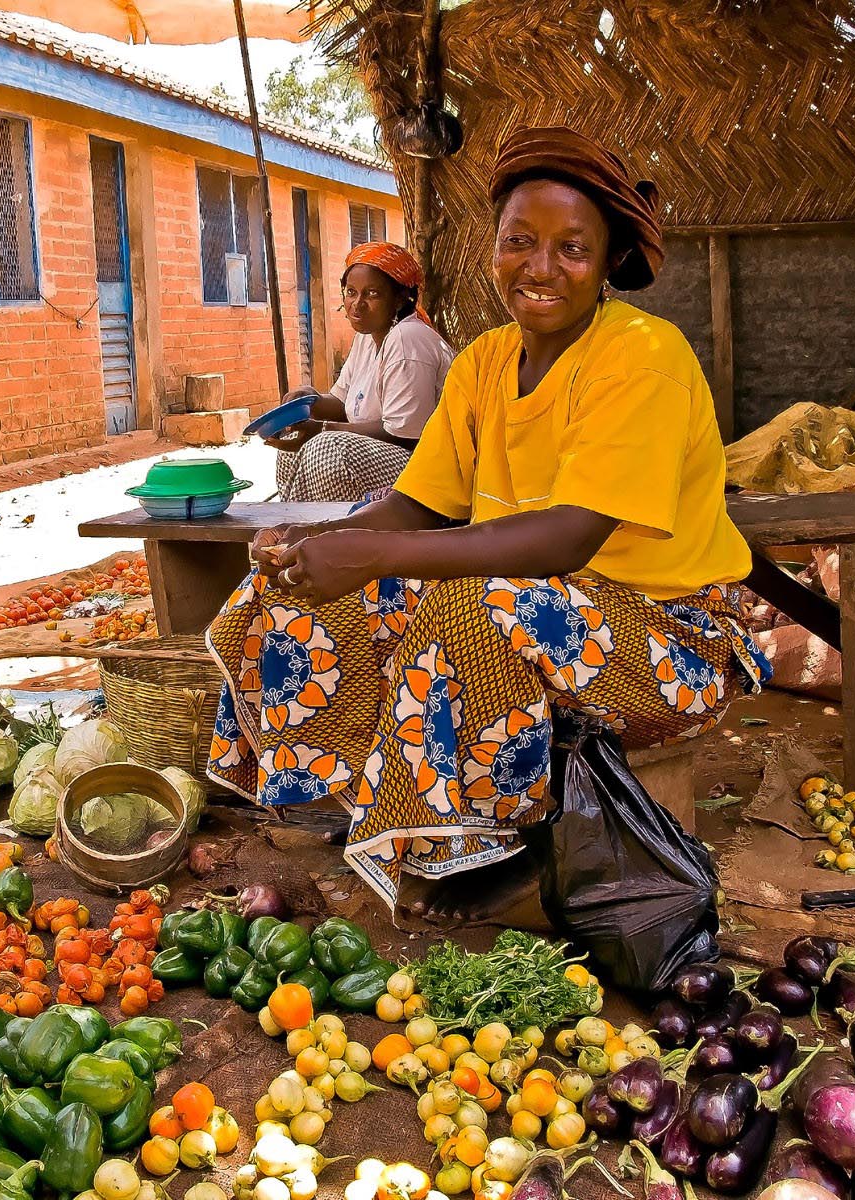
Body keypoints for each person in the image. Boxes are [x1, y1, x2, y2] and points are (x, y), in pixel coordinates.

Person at [206, 126, 771, 924]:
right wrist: (319, 545)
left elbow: (565, 539)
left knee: (474, 606)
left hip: (671, 641)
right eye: (520, 241)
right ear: (492, 247)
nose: (541, 268)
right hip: (559, 611)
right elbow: (421, 503)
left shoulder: (643, 356)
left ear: (609, 262)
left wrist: (376, 553)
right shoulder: (483, 362)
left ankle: (489, 850)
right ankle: (359, 800)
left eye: (572, 247)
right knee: (293, 592)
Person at [267, 242, 455, 503]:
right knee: (295, 442)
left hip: (427, 469)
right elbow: (343, 403)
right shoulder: (368, 338)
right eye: (351, 292)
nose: (357, 304)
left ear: (400, 298)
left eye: (372, 294)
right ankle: (304, 531)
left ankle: (336, 536)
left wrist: (322, 430)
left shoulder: (408, 338)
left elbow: (403, 435)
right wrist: (308, 400)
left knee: (328, 448)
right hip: (391, 458)